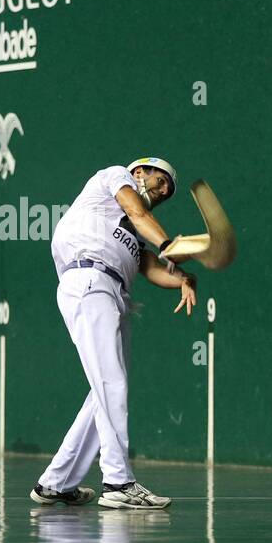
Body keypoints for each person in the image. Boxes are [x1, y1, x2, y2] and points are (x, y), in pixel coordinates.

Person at [31, 157, 196, 510]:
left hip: (115, 294)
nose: (165, 191)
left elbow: (151, 267)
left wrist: (181, 278)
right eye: (161, 180)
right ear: (139, 172)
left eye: (169, 190)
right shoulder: (115, 176)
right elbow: (137, 212)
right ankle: (118, 482)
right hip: (89, 279)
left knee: (103, 390)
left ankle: (56, 483)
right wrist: (170, 246)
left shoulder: (132, 235)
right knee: (111, 384)